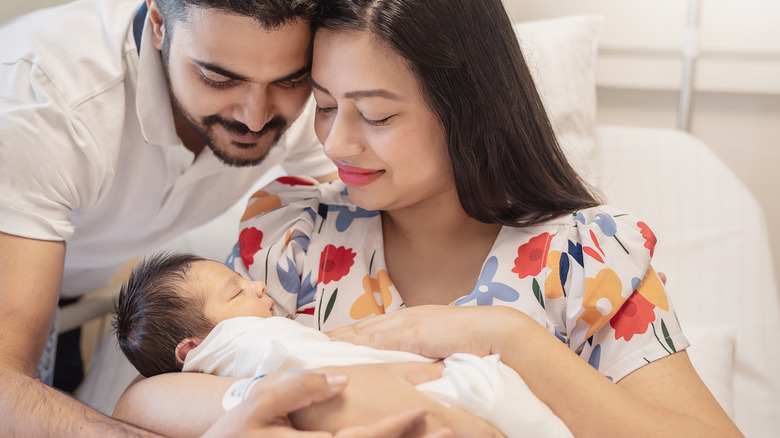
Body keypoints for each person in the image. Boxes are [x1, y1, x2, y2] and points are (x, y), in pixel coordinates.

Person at [116, 0, 743, 436]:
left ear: (466, 110)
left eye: (378, 116)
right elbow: (148, 395)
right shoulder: (292, 237)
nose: (336, 144)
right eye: (328, 105)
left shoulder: (584, 260)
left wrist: (509, 340)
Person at [0, 0, 455, 435]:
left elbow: (374, 197)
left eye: (290, 81)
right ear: (158, 21)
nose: (255, 118)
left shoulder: (306, 104)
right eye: (218, 79)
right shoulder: (45, 109)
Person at [113, 252, 573, 437]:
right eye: (235, 291)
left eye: (377, 114)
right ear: (192, 350)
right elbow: (310, 369)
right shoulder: (240, 342)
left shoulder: (581, 253)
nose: (257, 284)